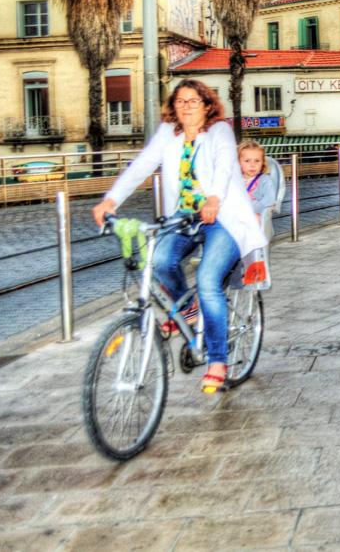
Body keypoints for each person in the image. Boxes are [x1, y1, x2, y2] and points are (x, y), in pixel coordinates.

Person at [92, 79, 267, 394]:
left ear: (207, 106)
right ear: (173, 106)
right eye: (181, 101)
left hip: (223, 217)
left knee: (208, 280)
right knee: (159, 260)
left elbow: (226, 164)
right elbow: (142, 164)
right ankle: (187, 310)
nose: (186, 106)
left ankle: (217, 360)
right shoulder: (168, 133)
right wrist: (111, 199)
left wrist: (214, 199)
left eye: (193, 101)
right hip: (183, 217)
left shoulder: (219, 131)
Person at [238, 139, 279, 227]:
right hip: (236, 216)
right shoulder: (235, 180)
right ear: (238, 162)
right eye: (247, 161)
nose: (252, 165)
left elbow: (269, 201)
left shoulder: (265, 181)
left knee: (255, 219)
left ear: (262, 163)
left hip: (255, 217)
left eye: (257, 161)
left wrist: (247, 207)